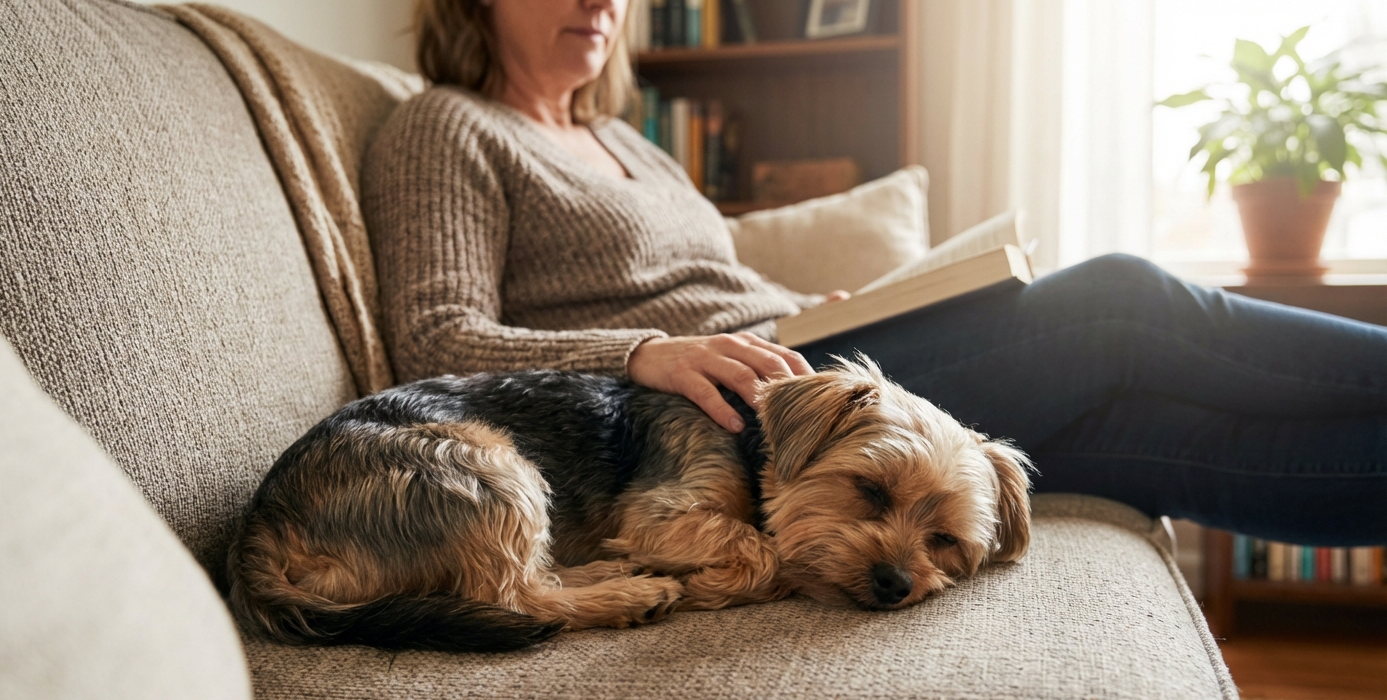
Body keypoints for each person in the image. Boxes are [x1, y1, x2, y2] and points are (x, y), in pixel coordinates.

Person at [362, 0, 1386, 546]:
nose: (602, 0)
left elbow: (713, 282)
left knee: (1149, 444)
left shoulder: (633, 143)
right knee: (1121, 300)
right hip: (749, 411)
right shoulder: (444, 127)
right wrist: (646, 353)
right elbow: (436, 338)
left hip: (812, 355)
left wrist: (818, 307)